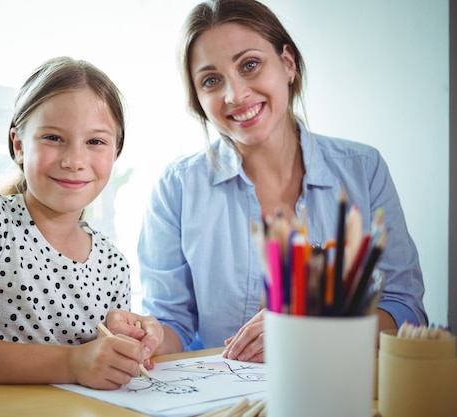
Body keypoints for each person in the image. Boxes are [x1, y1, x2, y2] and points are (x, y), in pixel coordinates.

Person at [134, 0, 428, 362]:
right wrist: (144, 337)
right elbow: (171, 323)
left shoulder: (363, 170)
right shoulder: (176, 187)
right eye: (211, 80)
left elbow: (404, 309)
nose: (235, 95)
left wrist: (307, 331)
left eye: (250, 65)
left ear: (287, 64)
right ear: (198, 97)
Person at [0, 56, 158, 390]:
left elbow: (99, 363)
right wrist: (72, 362)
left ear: (115, 153)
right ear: (19, 145)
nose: (74, 161)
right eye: (53, 138)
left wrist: (121, 341)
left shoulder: (113, 264)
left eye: (95, 141)